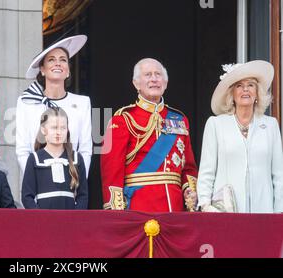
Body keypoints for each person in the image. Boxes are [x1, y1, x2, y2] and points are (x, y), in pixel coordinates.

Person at [100, 58, 198, 212]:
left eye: (158, 74)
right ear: (136, 83)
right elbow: (111, 169)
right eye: (148, 75)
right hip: (139, 205)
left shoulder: (179, 119)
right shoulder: (122, 119)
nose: (154, 79)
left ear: (165, 83)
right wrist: (115, 210)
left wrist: (189, 191)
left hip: (175, 206)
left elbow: (189, 166)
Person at [197, 60, 283, 213]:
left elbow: (279, 175)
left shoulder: (271, 125)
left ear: (257, 93)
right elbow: (206, 171)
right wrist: (205, 204)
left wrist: (279, 212)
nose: (245, 89)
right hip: (225, 212)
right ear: (232, 94)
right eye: (239, 85)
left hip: (263, 212)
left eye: (250, 85)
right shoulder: (216, 125)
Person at [16, 35, 92, 180]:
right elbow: (22, 150)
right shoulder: (26, 102)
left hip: (71, 182)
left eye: (63, 60)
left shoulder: (83, 103)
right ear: (42, 70)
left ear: (68, 70)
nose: (58, 63)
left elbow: (85, 150)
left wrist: (79, 181)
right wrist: (34, 182)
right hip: (36, 182)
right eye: (51, 60)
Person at [22, 107, 88, 209]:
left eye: (63, 128)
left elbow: (83, 196)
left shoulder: (77, 158)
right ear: (43, 130)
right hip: (43, 221)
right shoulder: (34, 159)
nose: (59, 132)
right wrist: (40, 218)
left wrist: (76, 217)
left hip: (70, 221)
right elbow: (27, 197)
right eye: (54, 127)